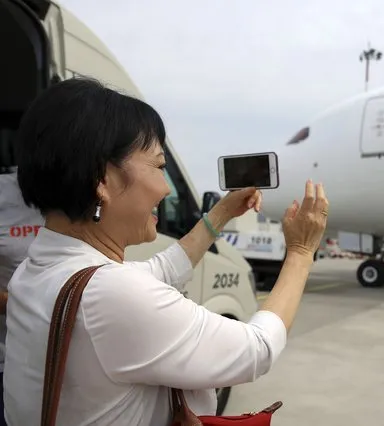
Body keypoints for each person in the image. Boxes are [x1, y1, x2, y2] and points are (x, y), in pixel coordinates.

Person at [3, 77, 329, 426]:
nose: (165, 187)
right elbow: (257, 350)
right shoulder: (109, 294)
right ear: (103, 179)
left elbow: (164, 268)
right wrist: (300, 250)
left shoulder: (36, 271)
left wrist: (221, 213)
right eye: (160, 167)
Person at [0, 168, 45, 426]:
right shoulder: (4, 193)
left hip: (64, 362)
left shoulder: (86, 191)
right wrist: (17, 302)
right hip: (7, 362)